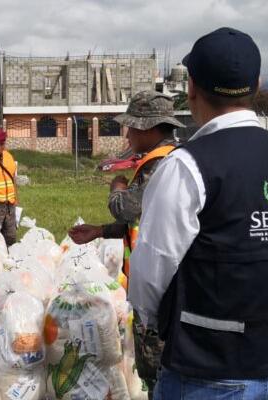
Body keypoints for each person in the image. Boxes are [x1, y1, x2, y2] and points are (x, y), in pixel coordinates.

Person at [129, 27, 268, 399]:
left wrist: (159, 326)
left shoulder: (187, 166)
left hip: (208, 372)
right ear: (259, 84)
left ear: (191, 88)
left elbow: (150, 276)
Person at [67, 90, 184, 397]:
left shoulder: (158, 164)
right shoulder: (174, 157)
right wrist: (99, 232)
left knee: (156, 365)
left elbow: (126, 208)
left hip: (159, 287)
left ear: (150, 128)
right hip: (165, 280)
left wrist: (117, 186)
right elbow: (144, 221)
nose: (128, 133)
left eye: (132, 126)